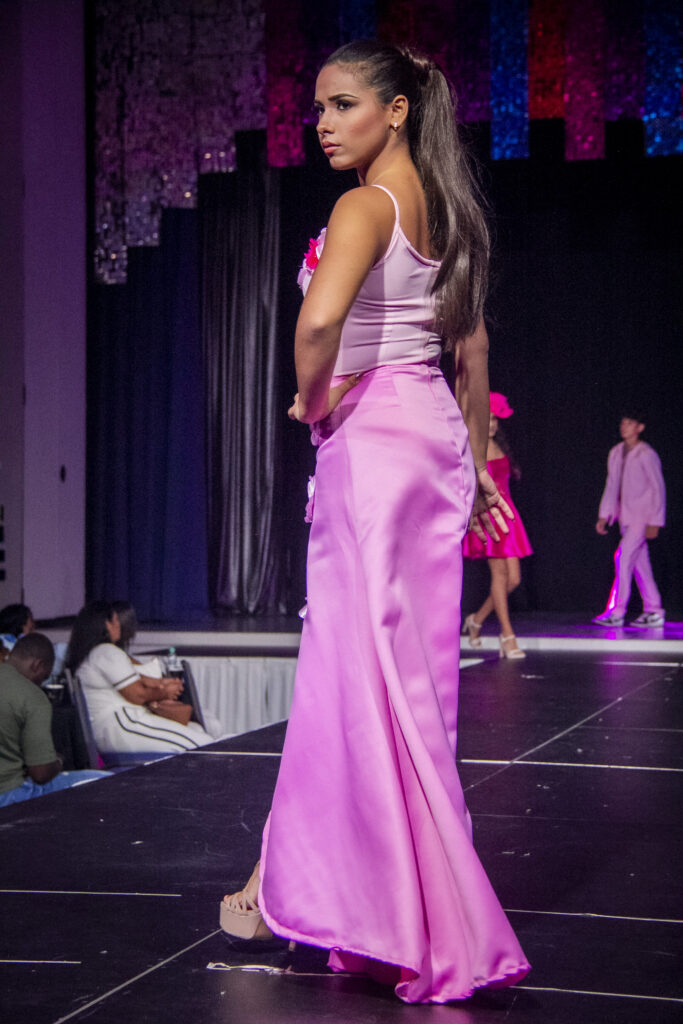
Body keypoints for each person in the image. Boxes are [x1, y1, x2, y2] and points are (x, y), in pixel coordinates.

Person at [220, 41, 529, 1004]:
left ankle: (350, 903)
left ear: (395, 110)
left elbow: (318, 325)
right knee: (408, 688)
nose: (321, 124)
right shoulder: (446, 207)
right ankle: (371, 901)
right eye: (317, 108)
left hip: (374, 440)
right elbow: (471, 347)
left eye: (342, 105)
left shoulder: (365, 206)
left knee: (353, 683)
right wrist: (474, 462)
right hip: (427, 439)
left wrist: (311, 399)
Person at [66, 602, 217, 759]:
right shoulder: (106, 651)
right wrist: (164, 692)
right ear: (104, 624)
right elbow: (137, 695)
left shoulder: (95, 653)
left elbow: (142, 681)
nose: (118, 625)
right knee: (203, 745)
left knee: (200, 733)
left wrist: (164, 684)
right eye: (115, 621)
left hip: (116, 726)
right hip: (122, 724)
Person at [0, 633, 109, 807]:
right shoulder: (32, 696)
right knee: (105, 780)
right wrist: (57, 762)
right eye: (43, 678)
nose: (40, 685)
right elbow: (40, 774)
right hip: (9, 795)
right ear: (37, 665)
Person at [462, 392, 533, 658]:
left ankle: (476, 620)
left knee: (513, 579)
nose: (492, 424)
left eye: (495, 419)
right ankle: (507, 635)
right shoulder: (475, 449)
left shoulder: (499, 446)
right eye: (488, 419)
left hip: (508, 516)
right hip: (488, 517)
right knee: (500, 577)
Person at [592, 412, 666, 627]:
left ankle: (617, 611)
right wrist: (604, 514)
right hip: (625, 517)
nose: (624, 427)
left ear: (639, 428)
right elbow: (612, 484)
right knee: (640, 565)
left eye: (630, 423)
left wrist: (655, 521)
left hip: (642, 516)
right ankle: (654, 609)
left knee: (622, 558)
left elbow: (658, 488)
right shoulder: (616, 452)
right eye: (623, 423)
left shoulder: (646, 454)